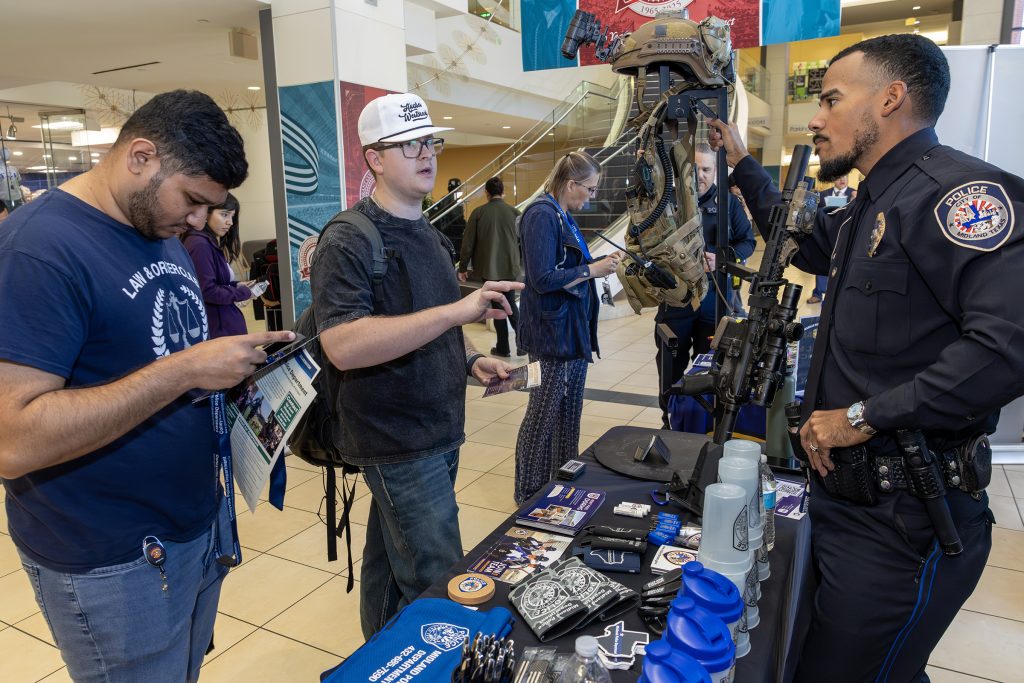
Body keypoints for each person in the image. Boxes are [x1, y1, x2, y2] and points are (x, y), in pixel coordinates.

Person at [710, 34, 1023, 682]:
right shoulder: (868, 207)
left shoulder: (959, 197)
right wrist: (741, 162)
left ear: (890, 98)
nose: (815, 119)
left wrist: (862, 415)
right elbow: (799, 244)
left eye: (830, 99)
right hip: (843, 504)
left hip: (905, 522)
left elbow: (1006, 346)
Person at [0, 89, 295, 682]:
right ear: (141, 156)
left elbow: (154, 355)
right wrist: (185, 370)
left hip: (192, 525)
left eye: (208, 207)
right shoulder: (39, 249)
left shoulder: (158, 229)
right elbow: (13, 440)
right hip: (113, 558)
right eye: (192, 200)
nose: (198, 222)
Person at [310, 93, 522, 639]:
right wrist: (459, 310)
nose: (426, 153)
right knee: (438, 580)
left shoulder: (429, 235)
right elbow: (343, 344)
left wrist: (470, 358)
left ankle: (378, 664)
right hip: (395, 437)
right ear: (375, 159)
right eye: (409, 145)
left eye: (430, 141)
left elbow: (429, 320)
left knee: (388, 571)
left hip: (440, 428)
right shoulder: (348, 238)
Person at [513, 151, 623, 504]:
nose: (592, 196)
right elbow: (543, 278)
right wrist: (592, 270)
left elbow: (568, 267)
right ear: (570, 184)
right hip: (550, 336)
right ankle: (529, 491)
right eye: (589, 189)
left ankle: (561, 481)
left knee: (568, 413)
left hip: (572, 332)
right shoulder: (541, 215)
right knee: (543, 414)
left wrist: (598, 264)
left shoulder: (563, 215)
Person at [655, 143, 756, 427]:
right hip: (676, 299)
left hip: (714, 299)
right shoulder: (666, 202)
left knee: (712, 366)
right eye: (694, 168)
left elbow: (747, 242)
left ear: (715, 172)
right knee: (670, 366)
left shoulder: (728, 203)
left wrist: (722, 257)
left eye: (707, 169)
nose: (700, 175)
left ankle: (705, 424)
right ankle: (670, 422)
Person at [458, 176, 523, 357]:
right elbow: (523, 240)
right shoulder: (515, 213)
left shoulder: (478, 213)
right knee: (510, 303)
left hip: (489, 268)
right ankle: (522, 343)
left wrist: (462, 267)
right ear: (503, 192)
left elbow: (468, 243)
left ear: (486, 193)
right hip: (510, 266)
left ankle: (503, 347)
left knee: (498, 305)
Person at [182, 192, 258, 337]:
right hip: (219, 329)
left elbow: (213, 282)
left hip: (223, 325)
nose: (230, 222)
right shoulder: (200, 245)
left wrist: (236, 285)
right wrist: (245, 292)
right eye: (224, 215)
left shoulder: (205, 241)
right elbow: (208, 291)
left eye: (232, 216)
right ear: (206, 213)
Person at [807, 174, 856, 303]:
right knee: (822, 262)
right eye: (839, 177)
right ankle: (818, 293)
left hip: (845, 236)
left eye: (845, 177)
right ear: (833, 179)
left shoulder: (855, 194)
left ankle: (841, 296)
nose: (842, 179)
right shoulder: (823, 195)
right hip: (826, 235)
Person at [435, 177, 467, 256]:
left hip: (445, 233)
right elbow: (457, 217)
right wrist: (465, 225)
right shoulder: (457, 200)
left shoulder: (443, 199)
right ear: (458, 188)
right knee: (457, 256)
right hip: (455, 235)